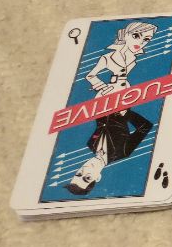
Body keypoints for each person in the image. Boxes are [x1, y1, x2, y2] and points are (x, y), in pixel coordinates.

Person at [66, 22, 158, 195]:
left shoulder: (90, 144)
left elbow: (101, 121)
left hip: (105, 101)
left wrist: (103, 96)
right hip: (122, 101)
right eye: (87, 177)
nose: (84, 170)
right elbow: (145, 127)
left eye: (78, 174)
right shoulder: (123, 152)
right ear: (98, 178)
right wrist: (126, 113)